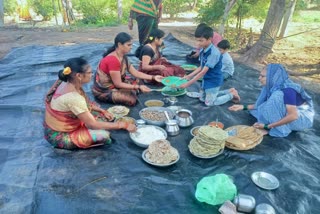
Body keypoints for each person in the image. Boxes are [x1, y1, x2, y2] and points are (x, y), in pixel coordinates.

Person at [44, 58, 137, 150]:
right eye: (89, 72)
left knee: (103, 116)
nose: (92, 75)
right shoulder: (73, 98)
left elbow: (86, 104)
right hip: (60, 134)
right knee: (104, 135)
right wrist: (123, 125)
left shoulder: (65, 81)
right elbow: (92, 125)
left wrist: (102, 110)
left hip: (66, 120)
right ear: (79, 76)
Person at [229, 64, 314, 137]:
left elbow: (293, 116)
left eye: (262, 76)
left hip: (301, 118)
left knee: (273, 100)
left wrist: (267, 126)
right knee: (261, 108)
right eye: (260, 75)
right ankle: (272, 122)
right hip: (288, 112)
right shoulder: (273, 85)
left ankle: (279, 129)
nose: (259, 78)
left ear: (272, 77)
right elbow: (260, 105)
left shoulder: (287, 90)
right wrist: (242, 107)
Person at [92, 32, 163, 106]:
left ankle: (131, 90)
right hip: (106, 90)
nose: (131, 47)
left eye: (131, 45)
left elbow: (135, 73)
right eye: (129, 45)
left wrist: (153, 77)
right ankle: (129, 91)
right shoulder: (113, 60)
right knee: (131, 100)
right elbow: (118, 84)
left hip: (116, 83)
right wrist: (137, 87)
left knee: (139, 81)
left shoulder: (123, 56)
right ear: (119, 44)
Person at [180, 25, 240, 106]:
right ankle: (229, 91)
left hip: (213, 81)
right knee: (202, 99)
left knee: (209, 103)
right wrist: (188, 76)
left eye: (201, 41)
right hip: (206, 80)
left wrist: (188, 84)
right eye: (197, 40)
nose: (198, 43)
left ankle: (231, 95)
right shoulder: (203, 49)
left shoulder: (213, 53)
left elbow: (203, 72)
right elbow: (201, 66)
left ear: (210, 39)